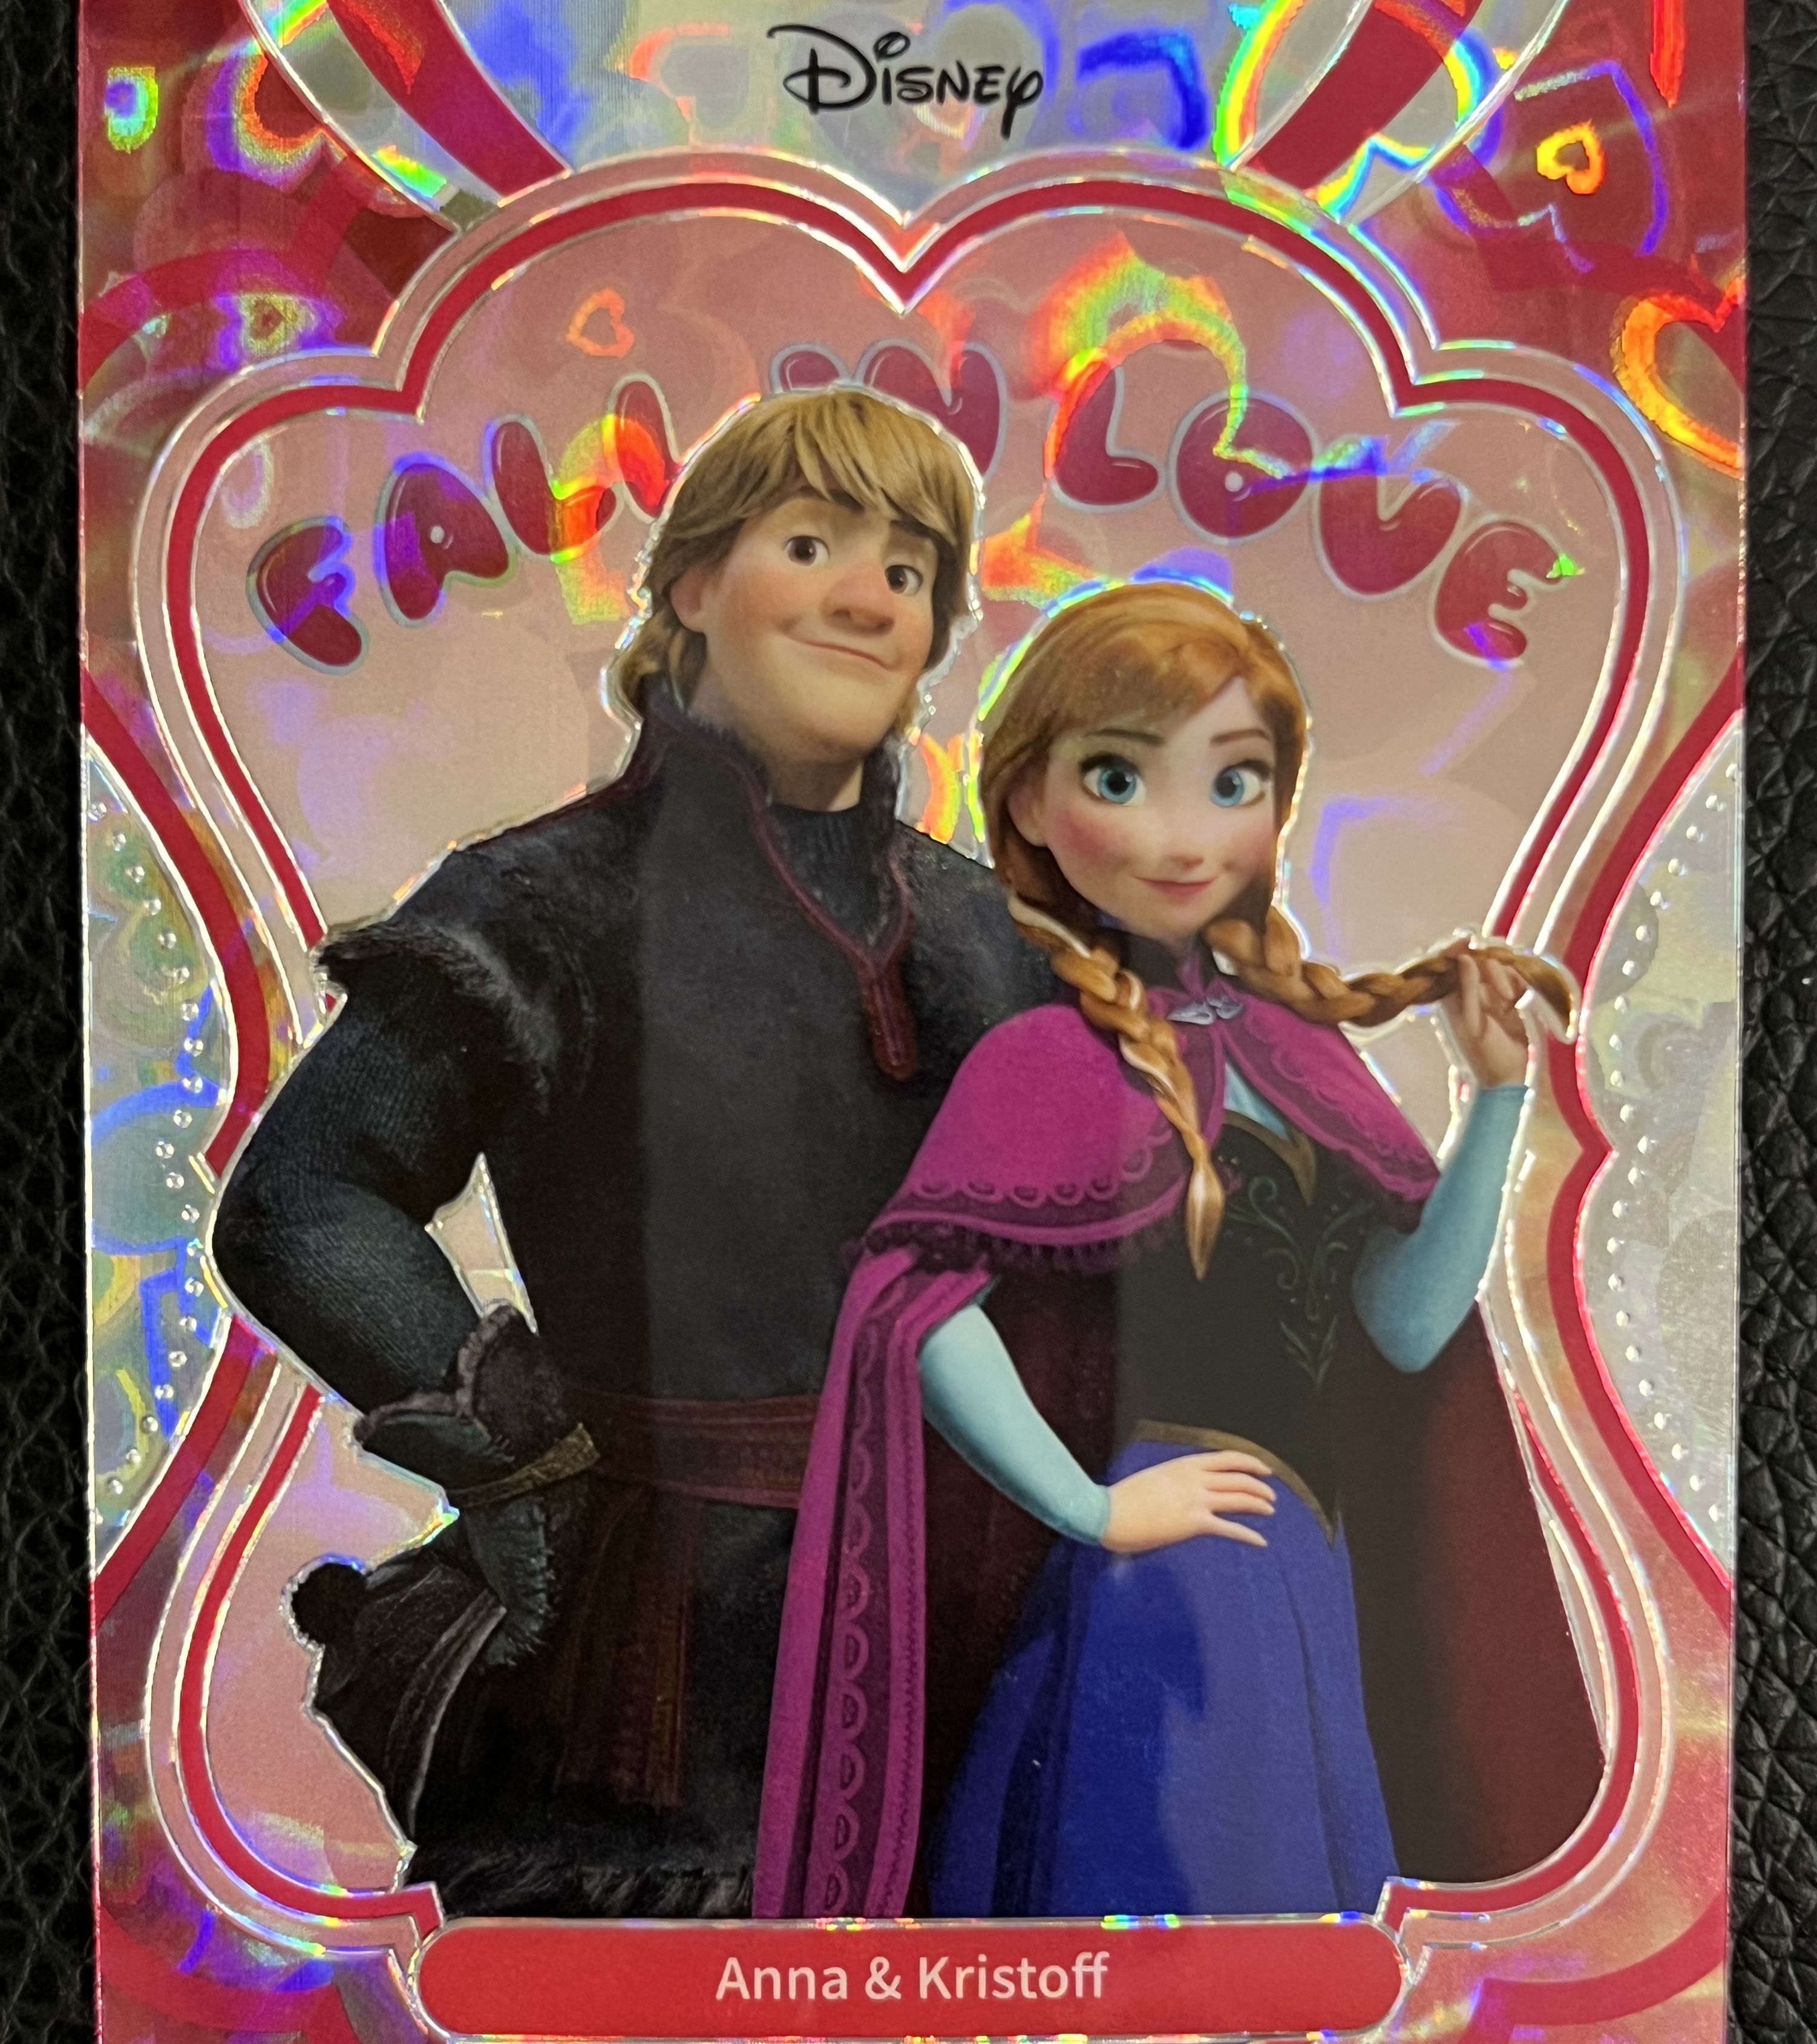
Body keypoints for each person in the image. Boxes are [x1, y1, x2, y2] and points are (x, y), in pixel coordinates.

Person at [211, 385, 1054, 1924]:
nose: (870, 595)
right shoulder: (540, 901)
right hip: (659, 1692)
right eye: (814, 544)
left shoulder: (992, 931)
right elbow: (305, 1201)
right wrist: (515, 1457)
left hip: (971, 1649)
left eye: (911, 570)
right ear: (692, 585)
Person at [756, 580, 1603, 1942]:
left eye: (1233, 782)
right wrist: (1090, 1509)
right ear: (1029, 805)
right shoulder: (1046, 1057)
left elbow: (1403, 1325)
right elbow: (915, 1307)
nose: (1183, 832)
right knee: (1167, 1967)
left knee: (1291, 1969)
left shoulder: (1296, 1049)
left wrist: (1496, 1100)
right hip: (1171, 1585)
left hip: (1305, 1573)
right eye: (1119, 777)